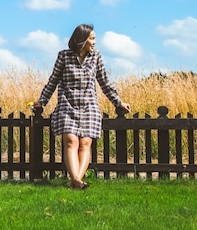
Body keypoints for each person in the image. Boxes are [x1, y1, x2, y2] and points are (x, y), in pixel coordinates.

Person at [32, 23, 131, 190]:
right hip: (67, 103)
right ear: (82, 39)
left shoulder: (96, 57)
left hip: (89, 104)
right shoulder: (64, 56)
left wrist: (118, 102)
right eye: (92, 38)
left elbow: (104, 82)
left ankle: (76, 181)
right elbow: (53, 81)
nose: (94, 42)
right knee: (71, 141)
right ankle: (77, 181)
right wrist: (42, 101)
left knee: (85, 143)